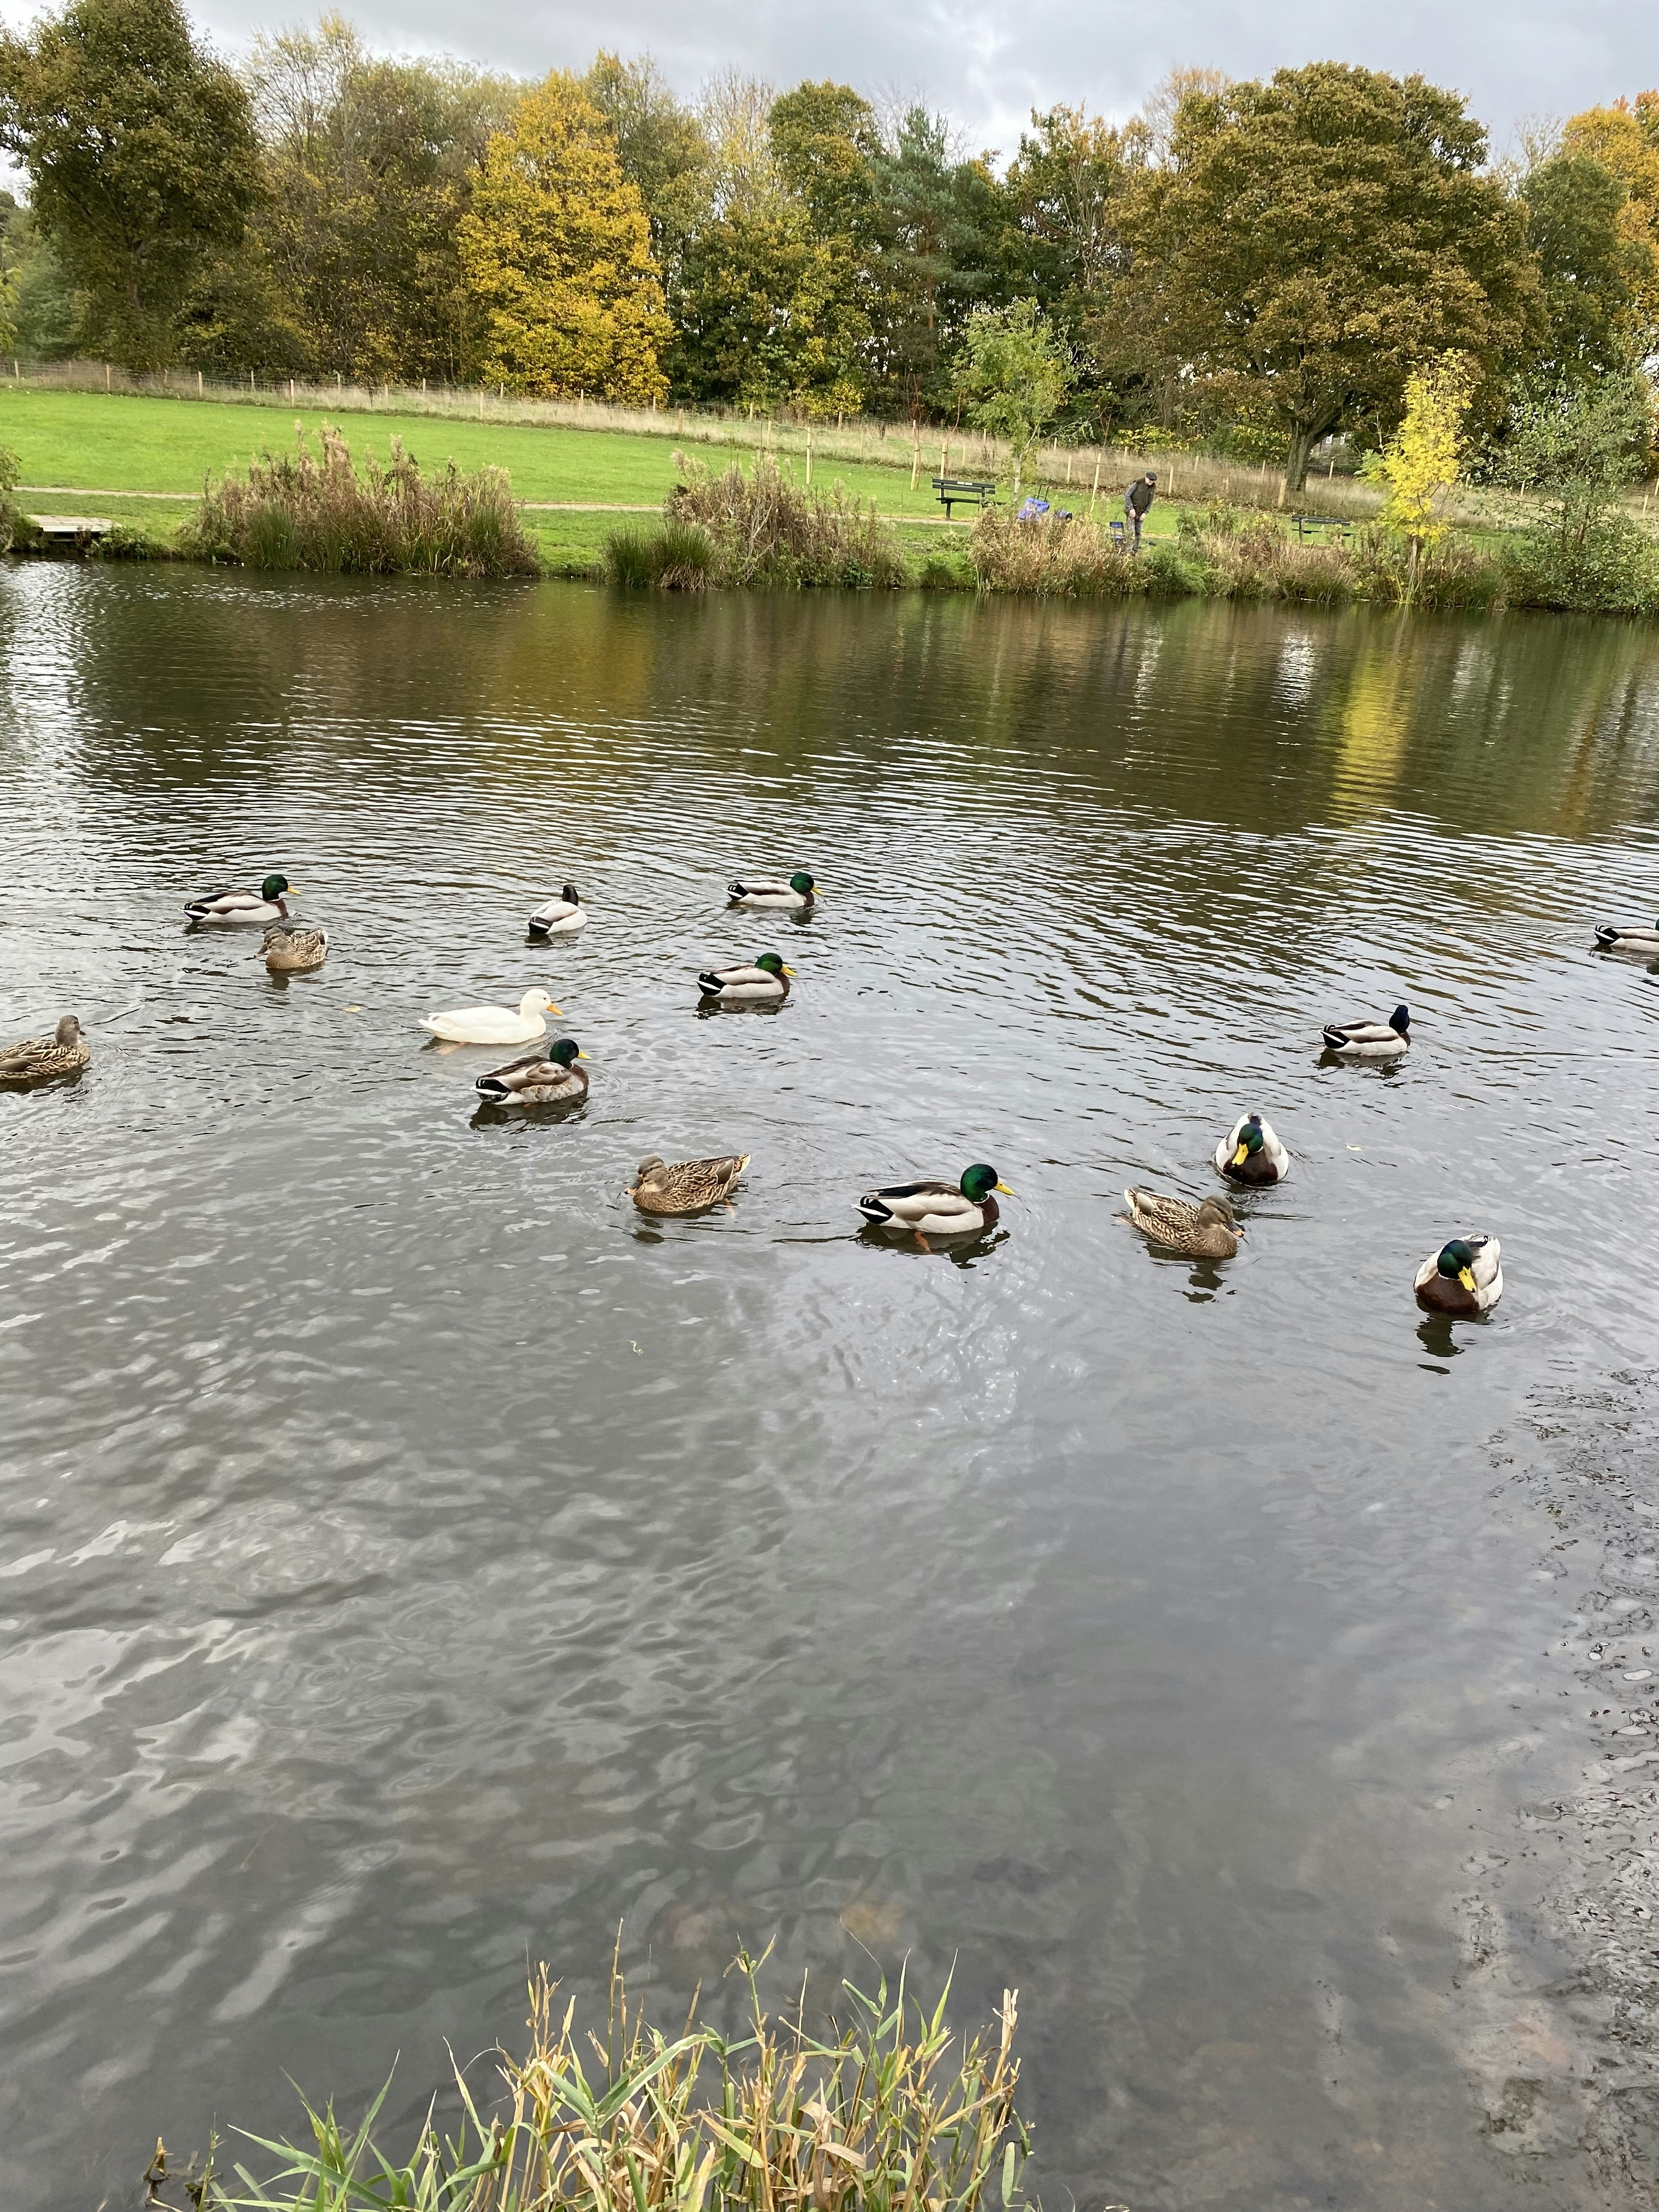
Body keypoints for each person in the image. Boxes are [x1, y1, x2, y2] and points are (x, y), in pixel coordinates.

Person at [1124, 470, 1156, 550]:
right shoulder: (1138, 483)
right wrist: (1131, 509)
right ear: (1146, 478)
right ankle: (1128, 550)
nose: (1151, 482)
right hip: (1131, 511)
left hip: (1141, 513)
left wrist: (1145, 513)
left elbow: (1150, 501)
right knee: (1130, 531)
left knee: (1138, 532)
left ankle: (1135, 550)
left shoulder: (1153, 487)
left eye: (1153, 480)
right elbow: (1127, 495)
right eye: (1150, 480)